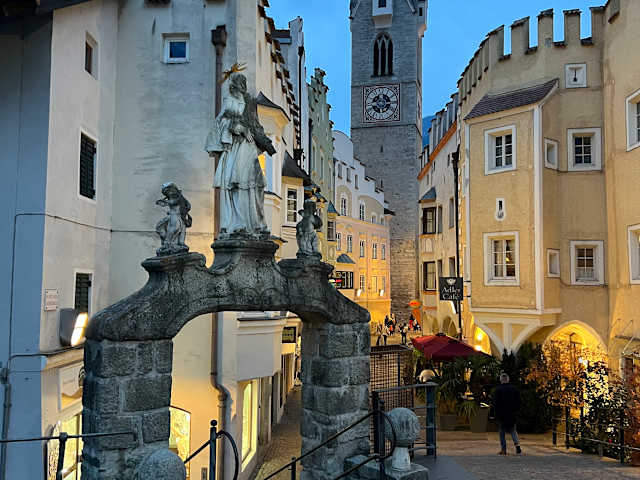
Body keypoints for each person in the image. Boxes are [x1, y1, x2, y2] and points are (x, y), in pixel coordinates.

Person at [493, 373, 522, 455]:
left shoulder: (498, 390)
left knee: (502, 432)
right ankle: (517, 445)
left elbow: (496, 403)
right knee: (513, 430)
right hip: (512, 413)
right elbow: (519, 402)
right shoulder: (514, 389)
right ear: (508, 380)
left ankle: (504, 449)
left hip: (502, 414)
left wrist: (495, 414)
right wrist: (516, 411)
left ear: (501, 380)